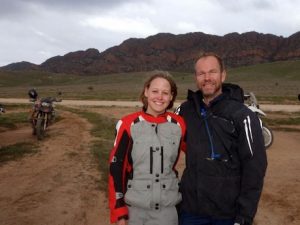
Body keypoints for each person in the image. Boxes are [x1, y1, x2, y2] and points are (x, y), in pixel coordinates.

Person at [177, 52, 267, 225]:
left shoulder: (243, 116)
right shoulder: (186, 110)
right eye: (201, 73)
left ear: (223, 75)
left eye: (212, 72)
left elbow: (254, 168)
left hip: (227, 214)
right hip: (191, 210)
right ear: (196, 77)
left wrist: (244, 216)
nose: (207, 77)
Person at [108, 71, 186, 225]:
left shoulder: (179, 125)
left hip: (167, 211)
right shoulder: (127, 124)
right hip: (135, 211)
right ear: (146, 92)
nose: (160, 97)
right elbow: (116, 168)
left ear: (171, 96)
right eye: (155, 91)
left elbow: (198, 154)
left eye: (165, 93)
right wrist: (119, 211)